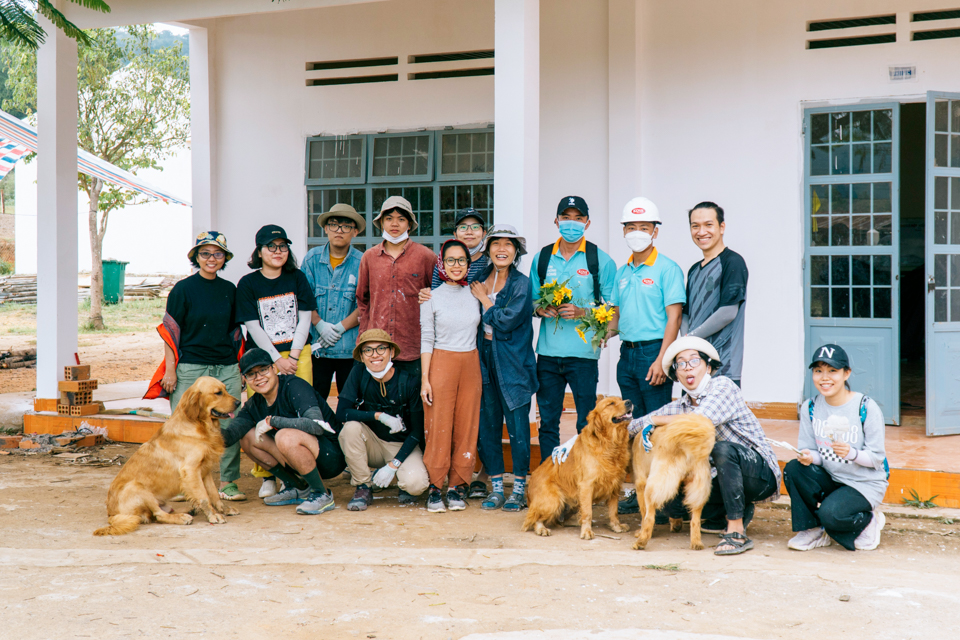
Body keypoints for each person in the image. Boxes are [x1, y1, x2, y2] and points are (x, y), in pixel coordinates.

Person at [627, 336, 781, 556]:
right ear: (676, 375)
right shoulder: (681, 405)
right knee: (672, 503)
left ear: (708, 367)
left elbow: (700, 421)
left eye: (694, 361)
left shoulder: (723, 386)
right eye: (680, 364)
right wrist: (584, 437)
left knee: (723, 449)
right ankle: (724, 513)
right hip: (722, 477)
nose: (687, 367)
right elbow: (634, 426)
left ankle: (736, 531)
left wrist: (656, 421)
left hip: (758, 471)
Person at [145, 231, 246, 502]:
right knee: (184, 426)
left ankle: (228, 482)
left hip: (225, 367)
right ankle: (182, 482)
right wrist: (170, 370)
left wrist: (239, 367)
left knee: (228, 425)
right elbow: (170, 331)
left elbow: (235, 332)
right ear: (195, 257)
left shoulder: (229, 290)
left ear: (224, 258)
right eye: (205, 253)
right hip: (190, 366)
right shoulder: (183, 289)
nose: (211, 259)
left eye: (217, 254)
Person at [606, 198, 686, 517]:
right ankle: (638, 492)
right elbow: (616, 316)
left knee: (656, 428)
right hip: (628, 355)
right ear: (624, 230)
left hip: (654, 353)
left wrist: (662, 359)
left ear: (654, 231)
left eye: (643, 227)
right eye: (631, 227)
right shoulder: (622, 271)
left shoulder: (667, 269)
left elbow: (674, 318)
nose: (636, 232)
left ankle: (662, 498)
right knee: (634, 429)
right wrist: (600, 335)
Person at [530, 195, 616, 461]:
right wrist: (540, 308)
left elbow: (613, 309)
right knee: (548, 424)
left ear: (587, 223)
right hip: (547, 355)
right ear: (556, 221)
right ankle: (550, 478)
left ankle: (584, 477)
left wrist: (583, 312)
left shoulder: (600, 260)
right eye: (566, 217)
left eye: (578, 218)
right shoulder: (543, 257)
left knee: (587, 424)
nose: (572, 223)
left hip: (583, 357)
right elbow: (532, 300)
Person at [236, 224, 317, 498]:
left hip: (298, 354)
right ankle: (269, 473)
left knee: (299, 412)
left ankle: (304, 470)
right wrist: (275, 359)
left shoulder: (297, 278)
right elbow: (252, 325)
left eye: (282, 246)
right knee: (262, 413)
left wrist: (292, 355)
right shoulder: (248, 283)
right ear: (259, 251)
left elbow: (305, 316)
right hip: (261, 358)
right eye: (271, 247)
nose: (278, 251)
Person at [417, 207, 490, 500]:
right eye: (451, 260)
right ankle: (436, 484)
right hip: (440, 361)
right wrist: (425, 378)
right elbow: (426, 339)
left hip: (470, 361)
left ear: (468, 263)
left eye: (462, 260)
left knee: (467, 423)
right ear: (442, 264)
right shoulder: (430, 296)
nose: (456, 265)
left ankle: (457, 484)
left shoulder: (476, 294)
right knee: (439, 422)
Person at [785, 344, 888, 552]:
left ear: (846, 373)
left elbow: (877, 458)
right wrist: (808, 456)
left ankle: (868, 520)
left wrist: (852, 453)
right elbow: (816, 454)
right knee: (794, 469)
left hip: (863, 483)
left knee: (831, 515)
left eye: (833, 371)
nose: (825, 377)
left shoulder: (865, 407)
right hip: (833, 476)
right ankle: (812, 530)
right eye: (818, 371)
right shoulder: (810, 407)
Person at [220, 348, 346, 516]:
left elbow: (316, 426)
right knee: (247, 438)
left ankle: (321, 493)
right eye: (251, 374)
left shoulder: (294, 386)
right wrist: (203, 422)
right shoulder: (254, 404)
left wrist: (273, 421)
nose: (258, 378)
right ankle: (298, 487)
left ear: (274, 369)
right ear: (245, 379)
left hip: (331, 456)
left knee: (284, 435)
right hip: (300, 460)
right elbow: (229, 438)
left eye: (263, 370)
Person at [473, 225, 539, 512]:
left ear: (516, 251)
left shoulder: (521, 284)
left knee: (517, 427)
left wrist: (486, 301)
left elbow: (507, 320)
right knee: (487, 424)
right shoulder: (477, 278)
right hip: (482, 356)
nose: (502, 249)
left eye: (508, 244)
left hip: (513, 360)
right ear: (487, 249)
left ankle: (520, 488)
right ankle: (497, 486)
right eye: (496, 243)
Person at [336, 329, 430, 511]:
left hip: (403, 446)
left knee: (416, 485)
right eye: (368, 350)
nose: (375, 355)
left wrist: (394, 465)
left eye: (381, 349)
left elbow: (418, 430)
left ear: (392, 352)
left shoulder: (408, 381)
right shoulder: (358, 374)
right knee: (350, 428)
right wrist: (378, 416)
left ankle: (393, 475)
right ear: (362, 357)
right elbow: (341, 413)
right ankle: (363, 486)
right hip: (372, 443)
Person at [356, 196, 436, 378]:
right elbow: (363, 300)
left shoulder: (426, 257)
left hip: (413, 346)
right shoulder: (369, 257)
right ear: (381, 223)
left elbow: (438, 295)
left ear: (409, 224)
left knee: (414, 402)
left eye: (401, 219)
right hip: (378, 348)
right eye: (389, 218)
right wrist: (364, 337)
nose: (395, 224)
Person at [301, 203, 365, 400]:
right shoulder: (311, 259)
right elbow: (304, 297)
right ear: (326, 228)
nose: (339, 230)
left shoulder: (362, 262)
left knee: (349, 402)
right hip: (318, 349)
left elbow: (364, 303)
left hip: (349, 349)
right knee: (315, 401)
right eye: (334, 224)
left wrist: (338, 328)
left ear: (354, 232)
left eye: (346, 226)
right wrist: (319, 324)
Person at [684, 202, 748, 387]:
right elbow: (686, 313)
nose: (701, 231)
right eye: (695, 226)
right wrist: (687, 344)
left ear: (722, 227)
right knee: (692, 416)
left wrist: (690, 339)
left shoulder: (733, 262)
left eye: (708, 225)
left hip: (724, 365)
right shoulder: (694, 270)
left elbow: (728, 313)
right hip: (694, 365)